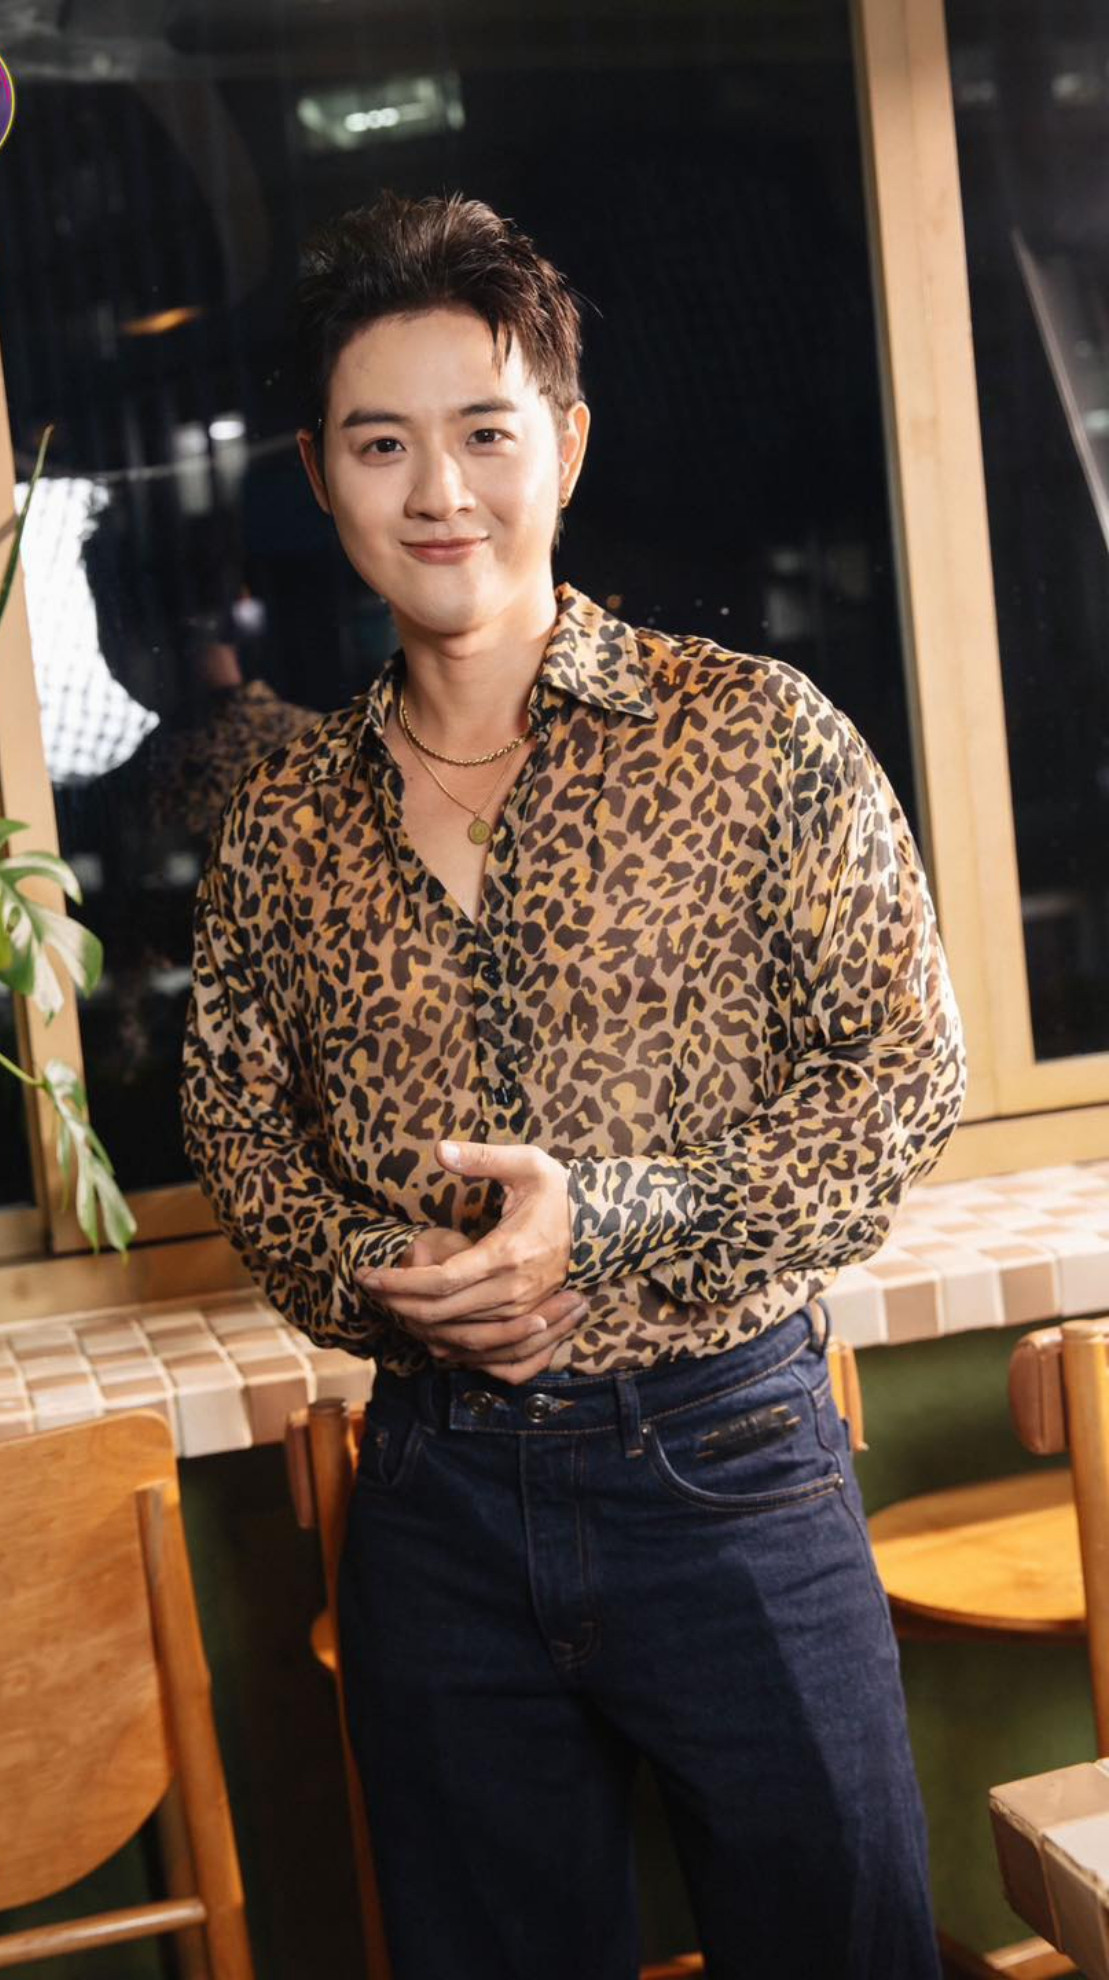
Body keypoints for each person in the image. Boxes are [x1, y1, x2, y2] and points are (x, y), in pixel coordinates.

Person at [180, 187, 968, 1980]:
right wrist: (378, 1275)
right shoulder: (280, 824)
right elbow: (233, 1122)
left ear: (569, 445)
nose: (438, 492)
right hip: (431, 1497)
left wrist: (603, 1224)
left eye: (484, 432)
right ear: (319, 477)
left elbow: (904, 1071)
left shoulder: (754, 732)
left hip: (730, 1462)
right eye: (381, 444)